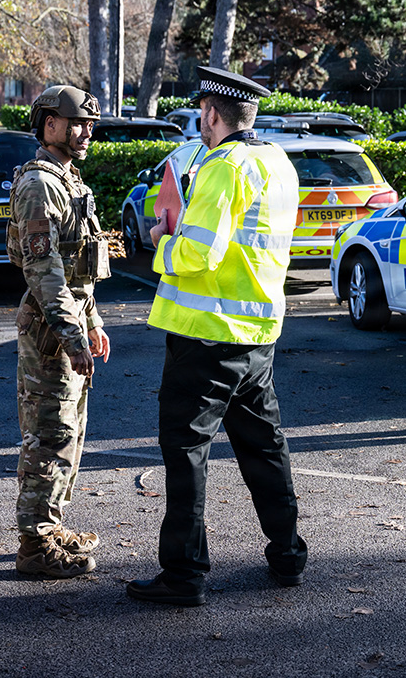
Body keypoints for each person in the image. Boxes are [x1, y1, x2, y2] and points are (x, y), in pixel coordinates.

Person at [127, 67, 305, 608]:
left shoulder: (224, 167)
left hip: (204, 337)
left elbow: (197, 252)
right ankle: (288, 552)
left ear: (210, 114)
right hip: (257, 334)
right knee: (264, 446)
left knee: (185, 453)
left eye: (200, 115)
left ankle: (183, 574)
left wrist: (160, 241)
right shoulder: (277, 161)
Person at [7, 85, 111, 578]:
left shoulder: (69, 180)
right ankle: (35, 543)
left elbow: (78, 268)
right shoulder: (40, 185)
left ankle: (50, 525)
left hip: (67, 322)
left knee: (69, 433)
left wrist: (92, 323)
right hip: (50, 333)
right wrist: (72, 336)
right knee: (48, 436)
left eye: (90, 123)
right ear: (49, 123)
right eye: (77, 123)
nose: (86, 131)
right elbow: (43, 270)